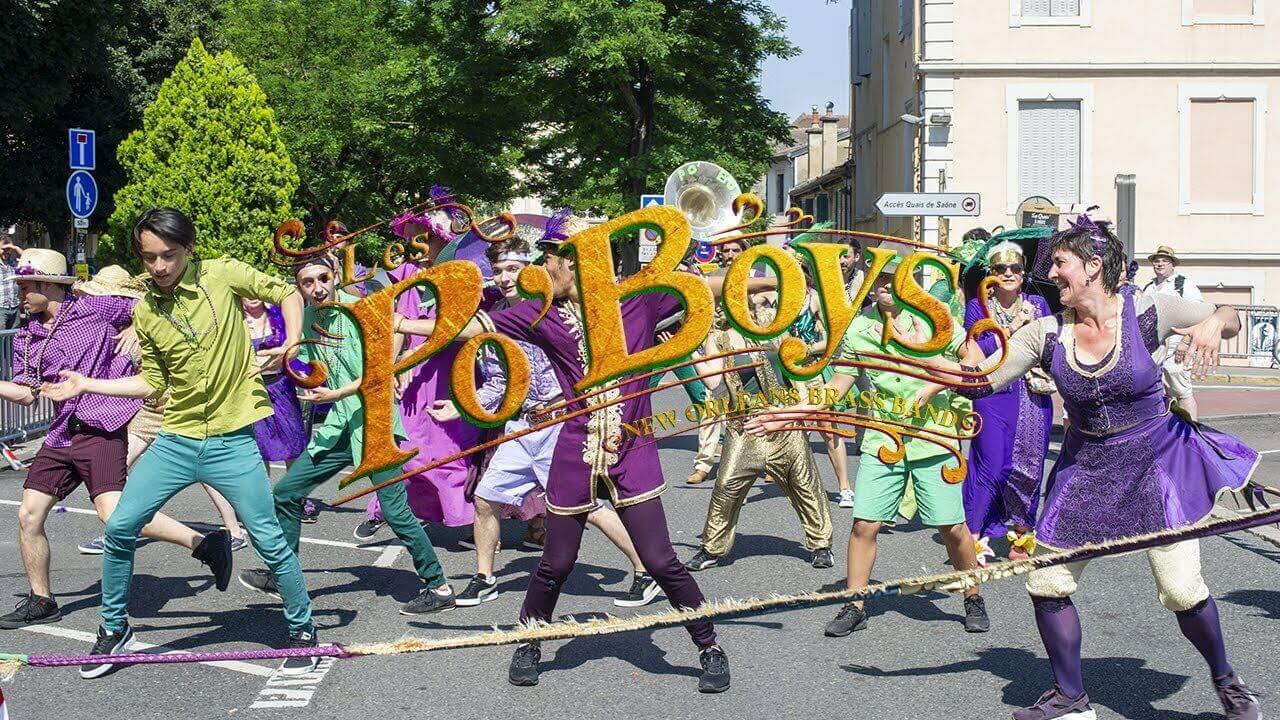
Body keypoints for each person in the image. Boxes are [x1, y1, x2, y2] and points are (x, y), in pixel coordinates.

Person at [395, 208, 780, 693]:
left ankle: (708, 645)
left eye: (548, 259)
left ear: (572, 261)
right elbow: (472, 329)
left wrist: (773, 276)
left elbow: (712, 287)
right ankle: (530, 640)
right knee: (557, 561)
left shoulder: (637, 302)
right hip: (575, 446)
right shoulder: (538, 313)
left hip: (631, 445)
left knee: (661, 560)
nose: (540, 270)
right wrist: (398, 323)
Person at [926, 217, 1260, 720]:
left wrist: (1215, 322)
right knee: (1046, 583)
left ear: (1093, 266)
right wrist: (924, 372)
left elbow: (1229, 315)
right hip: (1084, 471)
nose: (1051, 276)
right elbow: (986, 378)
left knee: (1181, 591)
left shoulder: (1148, 310)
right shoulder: (1045, 333)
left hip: (1157, 467)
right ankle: (1072, 698)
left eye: (1059, 265)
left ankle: (1227, 681)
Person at [43, 207, 318, 678]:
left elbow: (289, 291)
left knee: (269, 539)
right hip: (177, 438)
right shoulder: (146, 310)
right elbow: (151, 382)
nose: (159, 266)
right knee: (120, 527)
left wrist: (292, 342)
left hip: (232, 440)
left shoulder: (224, 274)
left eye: (168, 255)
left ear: (188, 248)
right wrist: (87, 383)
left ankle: (304, 631)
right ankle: (115, 629)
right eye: (149, 258)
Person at [747, 249, 991, 638]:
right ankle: (854, 603)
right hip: (883, 438)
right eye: (878, 279)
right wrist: (789, 414)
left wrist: (933, 385)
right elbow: (837, 386)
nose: (884, 287)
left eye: (892, 278)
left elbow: (974, 361)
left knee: (953, 529)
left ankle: (971, 593)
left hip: (933, 440)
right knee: (864, 525)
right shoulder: (860, 330)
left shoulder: (936, 320)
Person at [0, 250, 230, 633]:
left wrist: (137, 328)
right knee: (28, 514)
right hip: (61, 433)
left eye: (26, 286)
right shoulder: (27, 335)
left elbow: (154, 299)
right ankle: (43, 600)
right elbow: (26, 394)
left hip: (101, 428)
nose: (19, 294)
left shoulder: (97, 308)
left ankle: (204, 544)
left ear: (49, 285)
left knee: (114, 516)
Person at [428, 235, 661, 609]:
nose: (504, 278)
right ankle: (484, 578)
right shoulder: (498, 316)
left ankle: (646, 570)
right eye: (498, 271)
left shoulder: (552, 309)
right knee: (486, 499)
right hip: (520, 428)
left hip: (558, 427)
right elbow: (499, 383)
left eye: (512, 269)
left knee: (585, 506)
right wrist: (462, 405)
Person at [237, 257, 456, 614]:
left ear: (336, 276)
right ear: (300, 288)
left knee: (396, 513)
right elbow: (295, 358)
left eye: (323, 278)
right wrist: (254, 366)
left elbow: (378, 373)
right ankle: (283, 576)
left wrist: (335, 394)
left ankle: (439, 587)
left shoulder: (363, 312)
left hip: (375, 424)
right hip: (341, 427)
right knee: (287, 492)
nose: (317, 287)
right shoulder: (308, 318)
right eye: (307, 282)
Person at [73, 266, 249, 555]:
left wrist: (136, 329)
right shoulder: (107, 328)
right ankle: (118, 531)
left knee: (203, 472)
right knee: (116, 468)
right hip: (146, 411)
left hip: (173, 405)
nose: (94, 301)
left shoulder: (151, 316)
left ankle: (234, 531)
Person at [353, 201, 484, 541]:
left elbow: (453, 328)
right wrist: (394, 365)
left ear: (443, 242)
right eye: (412, 239)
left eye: (423, 238)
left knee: (449, 450)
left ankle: (467, 516)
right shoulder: (408, 276)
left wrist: (411, 354)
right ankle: (387, 507)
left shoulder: (458, 277)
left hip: (450, 374)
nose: (416, 247)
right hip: (413, 377)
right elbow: (397, 325)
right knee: (403, 444)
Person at [683, 302, 834, 571]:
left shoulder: (772, 327)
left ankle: (821, 545)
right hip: (745, 424)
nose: (725, 308)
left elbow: (795, 361)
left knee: (803, 481)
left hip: (782, 417)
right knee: (726, 485)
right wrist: (691, 350)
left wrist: (795, 406)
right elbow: (713, 382)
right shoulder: (718, 337)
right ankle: (711, 548)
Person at [961, 241, 1054, 565]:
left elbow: (1053, 346)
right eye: (1002, 268)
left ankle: (1022, 534)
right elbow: (980, 348)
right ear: (991, 274)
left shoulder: (1039, 305)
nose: (1009, 273)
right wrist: (1014, 328)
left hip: (1032, 396)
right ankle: (972, 535)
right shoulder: (978, 307)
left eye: (1015, 268)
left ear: (1024, 271)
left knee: (1028, 467)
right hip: (993, 393)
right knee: (990, 466)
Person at [1142, 245, 1202, 420]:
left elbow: (1197, 314)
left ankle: (1192, 432)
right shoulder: (1149, 287)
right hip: (1154, 347)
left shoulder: (1182, 283)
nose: (1160, 264)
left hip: (1177, 344)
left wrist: (1185, 342)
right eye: (1157, 261)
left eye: (1164, 261)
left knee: (1181, 389)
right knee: (1161, 391)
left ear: (1172, 264)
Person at [0, 232, 22, 330]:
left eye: (9, 249)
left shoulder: (14, 263)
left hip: (14, 307)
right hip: (1, 308)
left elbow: (28, 258)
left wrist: (15, 247)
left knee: (14, 337)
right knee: (2, 338)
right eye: (4, 249)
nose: (7, 252)